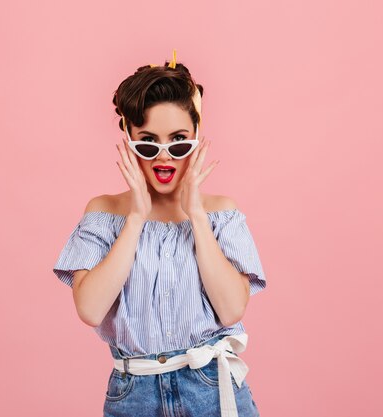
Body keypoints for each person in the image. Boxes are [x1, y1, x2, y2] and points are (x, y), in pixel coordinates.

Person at [53, 49, 267, 417]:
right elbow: (89, 309)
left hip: (211, 390)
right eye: (148, 143)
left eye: (179, 141)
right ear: (129, 139)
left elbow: (232, 309)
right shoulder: (105, 213)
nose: (164, 157)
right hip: (135, 394)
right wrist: (136, 217)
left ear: (197, 138)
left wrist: (196, 214)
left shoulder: (220, 215)